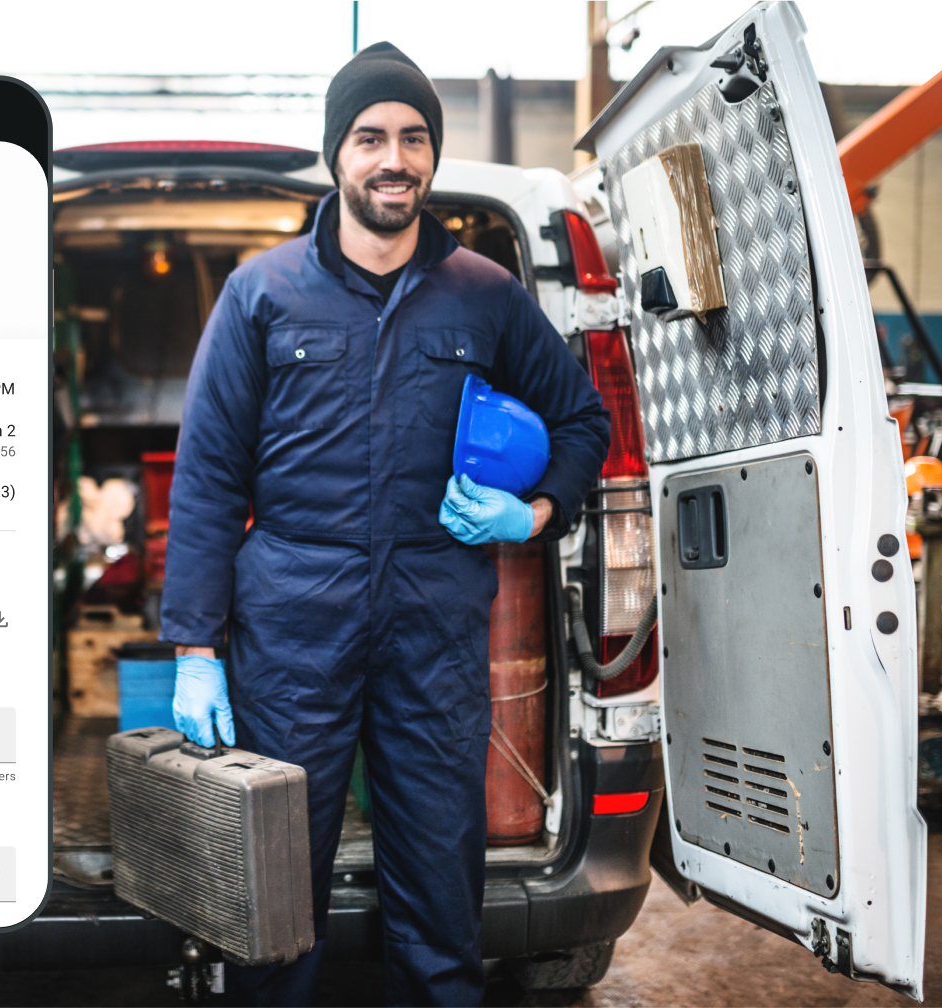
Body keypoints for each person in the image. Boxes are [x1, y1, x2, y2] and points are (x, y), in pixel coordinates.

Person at [160, 42, 610, 1008]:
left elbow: (583, 421)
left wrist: (532, 510)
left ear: (431, 159)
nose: (392, 157)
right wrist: (195, 646)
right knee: (272, 881)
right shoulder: (263, 292)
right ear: (336, 155)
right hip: (292, 618)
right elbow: (205, 478)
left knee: (440, 881)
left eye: (412, 137)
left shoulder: (484, 293)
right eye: (369, 137)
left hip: (433, 615)